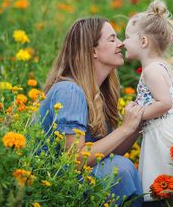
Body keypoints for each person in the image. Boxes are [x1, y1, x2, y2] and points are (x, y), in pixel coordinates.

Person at [38, 17, 144, 207]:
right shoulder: (69, 91)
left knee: (119, 164)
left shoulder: (99, 93)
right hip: (53, 184)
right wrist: (124, 129)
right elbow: (75, 160)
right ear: (92, 50)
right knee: (120, 169)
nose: (120, 43)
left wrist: (137, 125)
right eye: (112, 39)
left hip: (78, 179)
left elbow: (108, 151)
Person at [123, 0, 173, 202]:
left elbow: (165, 103)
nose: (123, 42)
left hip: (163, 134)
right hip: (172, 126)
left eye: (127, 37)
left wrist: (137, 115)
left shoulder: (152, 70)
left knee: (162, 186)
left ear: (143, 42)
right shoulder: (162, 66)